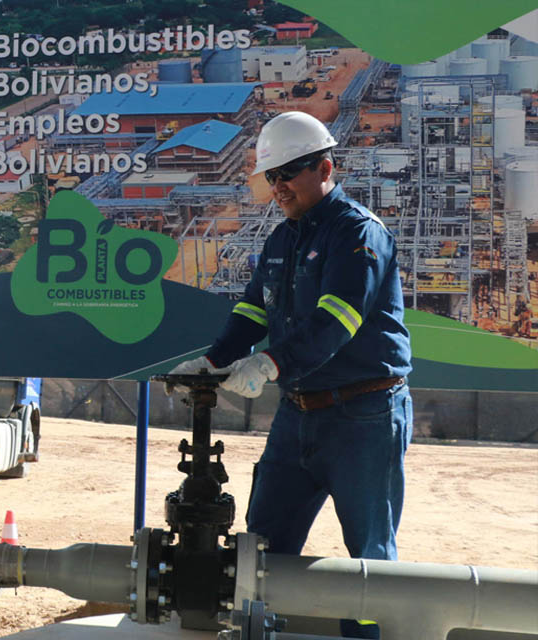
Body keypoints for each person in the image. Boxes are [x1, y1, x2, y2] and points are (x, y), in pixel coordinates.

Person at [170, 111, 412, 639]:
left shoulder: (359, 236)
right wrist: (213, 362)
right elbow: (252, 313)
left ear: (325, 167)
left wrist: (270, 363)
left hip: (364, 417)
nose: (277, 186)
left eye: (289, 173)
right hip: (297, 415)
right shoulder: (283, 240)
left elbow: (336, 323)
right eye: (270, 176)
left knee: (369, 557)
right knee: (263, 548)